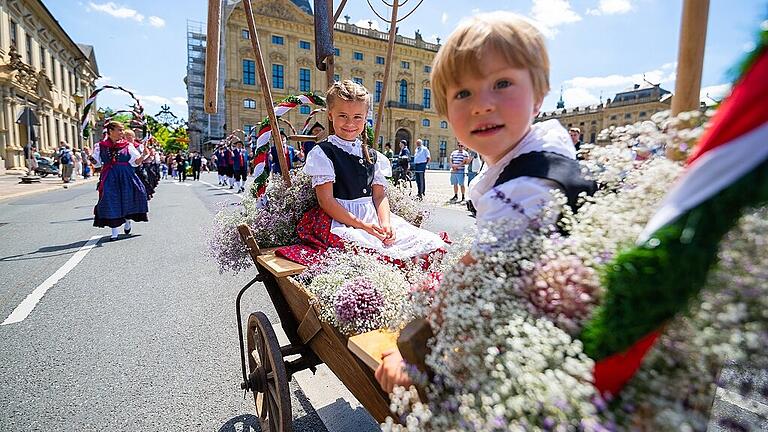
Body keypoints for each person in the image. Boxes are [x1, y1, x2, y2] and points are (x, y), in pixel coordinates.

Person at [376, 11, 596, 393]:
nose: (482, 105)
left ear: (540, 95)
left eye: (502, 83)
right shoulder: (547, 146)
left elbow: (468, 279)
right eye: (463, 93)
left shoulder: (522, 186)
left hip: (542, 356)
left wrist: (406, 349)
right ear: (445, 110)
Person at [276, 80, 446, 264]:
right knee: (371, 253)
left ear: (366, 118)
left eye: (358, 117)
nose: (350, 123)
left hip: (372, 216)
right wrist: (364, 226)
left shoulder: (374, 156)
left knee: (430, 243)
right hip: (340, 219)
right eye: (343, 116)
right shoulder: (323, 152)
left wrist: (385, 223)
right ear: (331, 115)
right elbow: (326, 201)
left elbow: (379, 196)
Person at [92, 121, 150, 240]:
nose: (122, 133)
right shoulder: (100, 146)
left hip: (126, 175)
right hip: (109, 175)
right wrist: (90, 158)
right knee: (110, 199)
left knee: (128, 197)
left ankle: (127, 220)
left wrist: (144, 155)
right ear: (110, 131)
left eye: (122, 130)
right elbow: (96, 162)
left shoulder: (128, 145)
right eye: (119, 130)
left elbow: (135, 162)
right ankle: (114, 231)